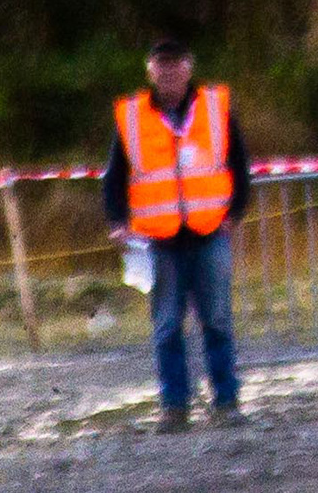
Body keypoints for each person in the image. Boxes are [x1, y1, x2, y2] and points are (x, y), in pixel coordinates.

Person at [102, 35, 251, 429]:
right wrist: (117, 223)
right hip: (160, 243)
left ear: (188, 67)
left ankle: (227, 403)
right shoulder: (133, 117)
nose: (168, 70)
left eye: (175, 62)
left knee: (217, 322)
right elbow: (114, 177)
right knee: (167, 328)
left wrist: (236, 212)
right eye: (161, 64)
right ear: (150, 71)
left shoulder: (214, 109)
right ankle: (174, 407)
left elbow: (239, 163)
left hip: (209, 235)